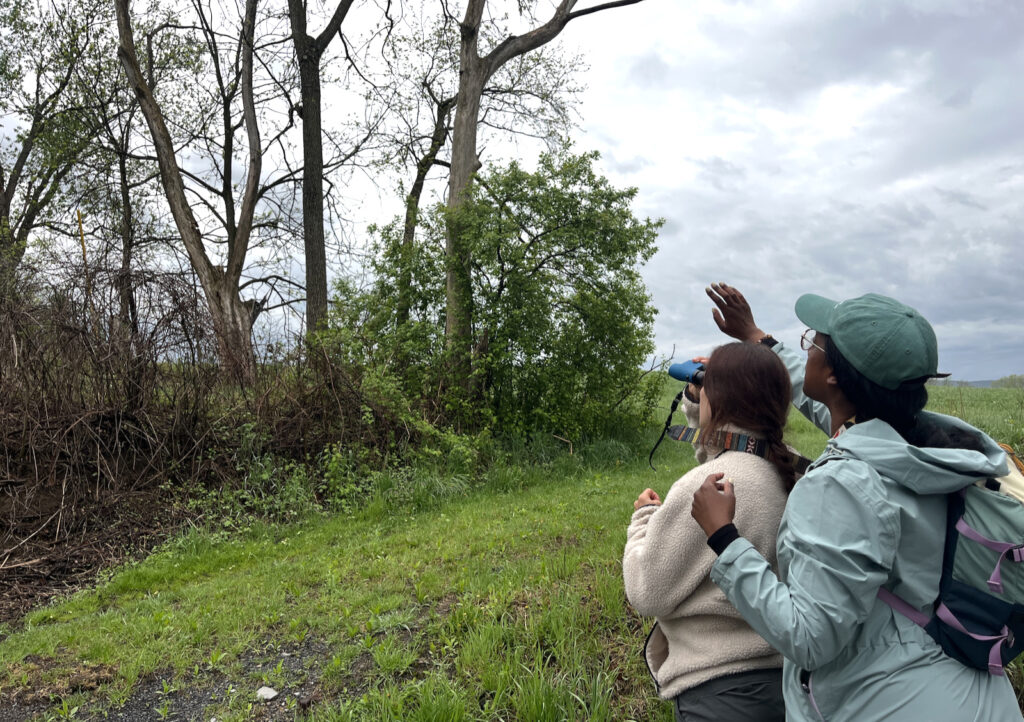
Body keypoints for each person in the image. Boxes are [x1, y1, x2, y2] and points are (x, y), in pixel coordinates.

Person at [691, 283, 1023, 722]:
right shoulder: (929, 445)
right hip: (973, 696)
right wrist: (757, 338)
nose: (807, 346)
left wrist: (725, 539)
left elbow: (809, 637)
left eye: (815, 342)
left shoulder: (843, 485)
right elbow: (828, 402)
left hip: (894, 702)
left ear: (834, 376)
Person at [623, 341, 796, 722]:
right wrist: (699, 396)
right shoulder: (788, 472)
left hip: (719, 692)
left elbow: (646, 590)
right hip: (785, 682)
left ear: (717, 402)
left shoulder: (703, 488)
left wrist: (644, 520)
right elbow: (721, 445)